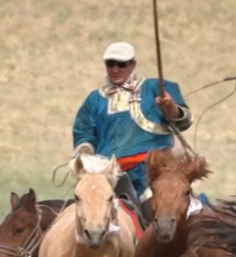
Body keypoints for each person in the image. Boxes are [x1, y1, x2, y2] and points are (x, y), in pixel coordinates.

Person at [70, 41, 191, 209]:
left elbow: (184, 121)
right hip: (110, 173)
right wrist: (85, 162)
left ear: (133, 64)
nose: (115, 69)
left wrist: (170, 107)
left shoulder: (157, 87)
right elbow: (83, 134)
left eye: (121, 64)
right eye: (110, 64)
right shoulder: (94, 100)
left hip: (153, 169)